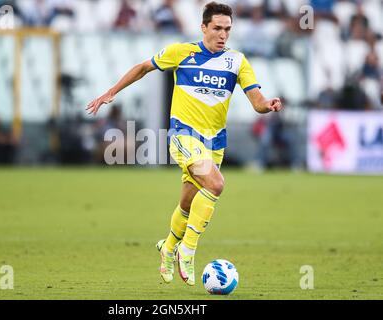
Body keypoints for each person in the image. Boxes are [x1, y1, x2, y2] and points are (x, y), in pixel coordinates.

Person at [86, 1, 283, 286]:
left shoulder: (237, 61)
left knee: (188, 204)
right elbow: (143, 68)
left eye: (227, 29)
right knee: (216, 185)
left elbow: (257, 102)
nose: (222, 34)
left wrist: (269, 104)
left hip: (214, 142)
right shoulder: (181, 52)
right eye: (216, 28)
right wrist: (111, 92)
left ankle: (168, 247)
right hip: (183, 136)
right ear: (203, 27)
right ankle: (187, 250)